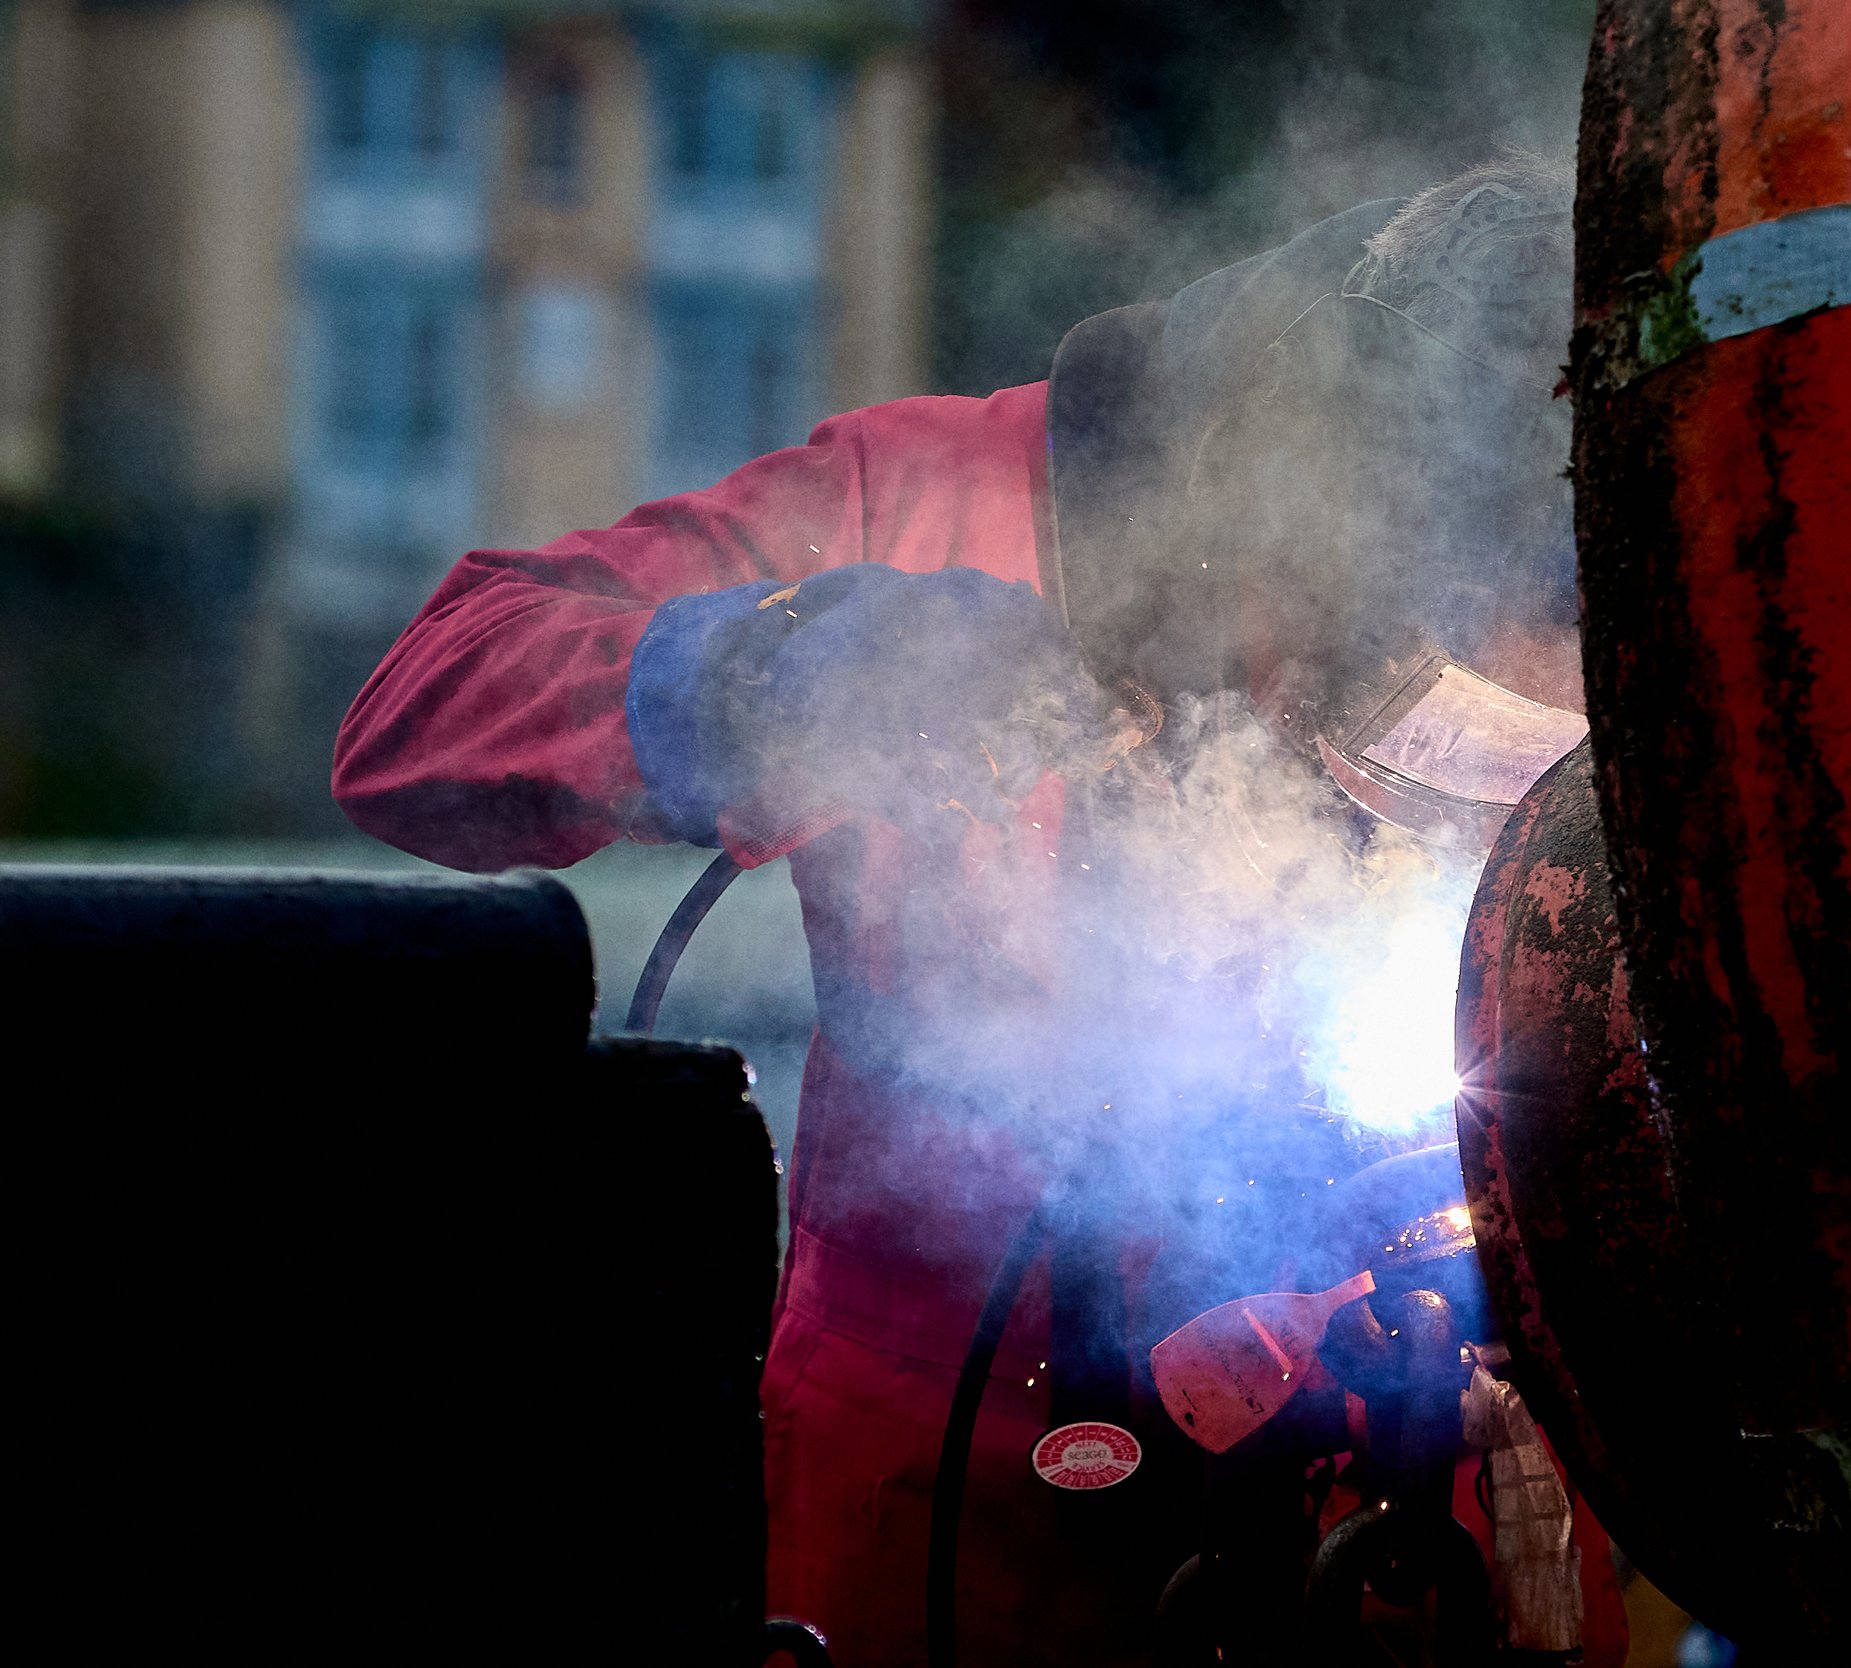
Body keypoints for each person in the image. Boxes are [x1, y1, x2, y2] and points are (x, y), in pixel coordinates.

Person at [336, 153, 1618, 1664]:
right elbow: (419, 709)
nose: (1419, 807)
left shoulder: (1649, 605)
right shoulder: (938, 512)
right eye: (1405, 725)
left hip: (1409, 1512)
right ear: (1288, 514)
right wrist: (766, 679)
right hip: (932, 1509)